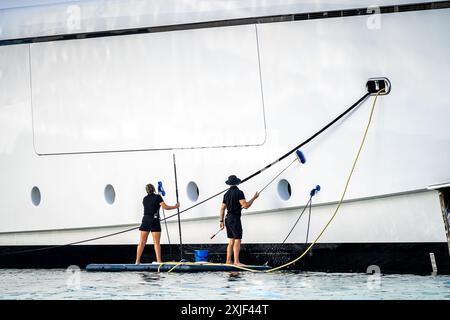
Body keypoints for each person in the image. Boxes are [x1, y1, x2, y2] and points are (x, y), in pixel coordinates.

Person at [219, 175, 259, 266]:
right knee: (237, 239)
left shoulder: (226, 194)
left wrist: (221, 221)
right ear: (237, 183)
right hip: (234, 219)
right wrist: (254, 198)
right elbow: (245, 206)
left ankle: (228, 261)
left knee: (231, 240)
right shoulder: (239, 192)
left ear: (229, 184)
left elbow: (222, 208)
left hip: (227, 218)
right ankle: (236, 262)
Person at [135, 183, 179, 264]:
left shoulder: (144, 199)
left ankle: (137, 261)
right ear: (154, 189)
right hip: (154, 220)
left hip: (145, 220)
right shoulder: (158, 197)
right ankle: (159, 261)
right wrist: (175, 206)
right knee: (156, 243)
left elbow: (150, 207)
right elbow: (165, 207)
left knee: (142, 242)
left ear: (147, 191)